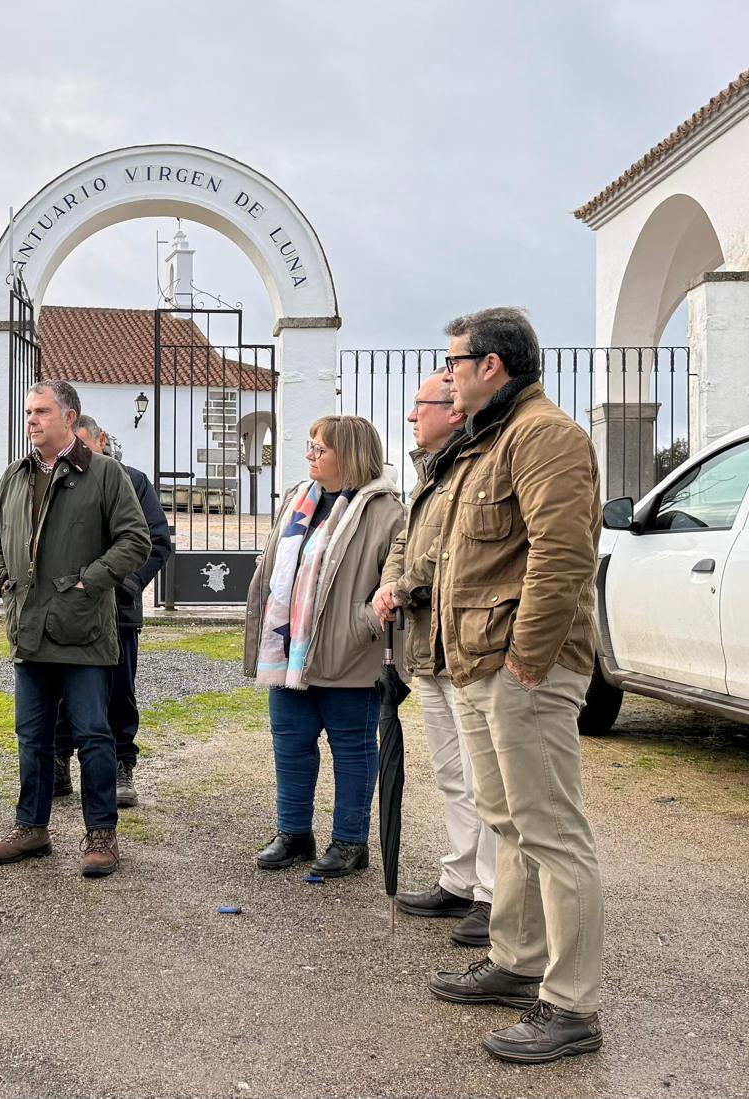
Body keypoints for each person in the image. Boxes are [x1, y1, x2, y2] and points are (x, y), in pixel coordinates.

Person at [423, 308, 605, 1064]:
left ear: (492, 364)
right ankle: (516, 959)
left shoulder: (545, 436)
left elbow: (563, 555)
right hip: (481, 663)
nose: (450, 374)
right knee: (508, 821)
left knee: (553, 831)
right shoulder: (490, 438)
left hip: (521, 667)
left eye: (457, 361)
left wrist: (528, 658)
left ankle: (571, 1006)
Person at [0, 380, 151, 878]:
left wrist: (88, 583)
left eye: (42, 412)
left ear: (69, 418)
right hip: (28, 629)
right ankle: (31, 828)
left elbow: (135, 540)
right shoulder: (15, 476)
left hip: (83, 631)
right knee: (32, 735)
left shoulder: (106, 475)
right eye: (29, 411)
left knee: (94, 735)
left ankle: (101, 834)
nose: (31, 419)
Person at [243, 415, 404, 878]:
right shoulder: (299, 498)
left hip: (347, 651)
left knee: (352, 749)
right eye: (310, 446)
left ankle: (351, 842)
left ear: (349, 455)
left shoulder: (385, 510)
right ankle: (293, 832)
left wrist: (365, 621)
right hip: (290, 650)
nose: (310, 455)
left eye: (321, 449)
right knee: (290, 743)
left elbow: (393, 575)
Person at [371, 371, 497, 948]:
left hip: (467, 644)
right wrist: (391, 581)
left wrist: (402, 587)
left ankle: (495, 896)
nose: (410, 416)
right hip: (428, 645)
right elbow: (406, 543)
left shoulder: (476, 462)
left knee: (484, 777)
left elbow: (458, 550)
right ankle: (462, 877)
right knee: (451, 773)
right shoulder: (430, 472)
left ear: (452, 410)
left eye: (419, 405)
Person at [49, 413, 174, 808]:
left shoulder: (133, 481)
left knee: (120, 689)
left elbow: (156, 541)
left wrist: (128, 584)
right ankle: (59, 759)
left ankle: (122, 762)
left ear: (100, 440)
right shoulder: (56, 478)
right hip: (69, 607)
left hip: (118, 609)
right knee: (63, 690)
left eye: (85, 444)